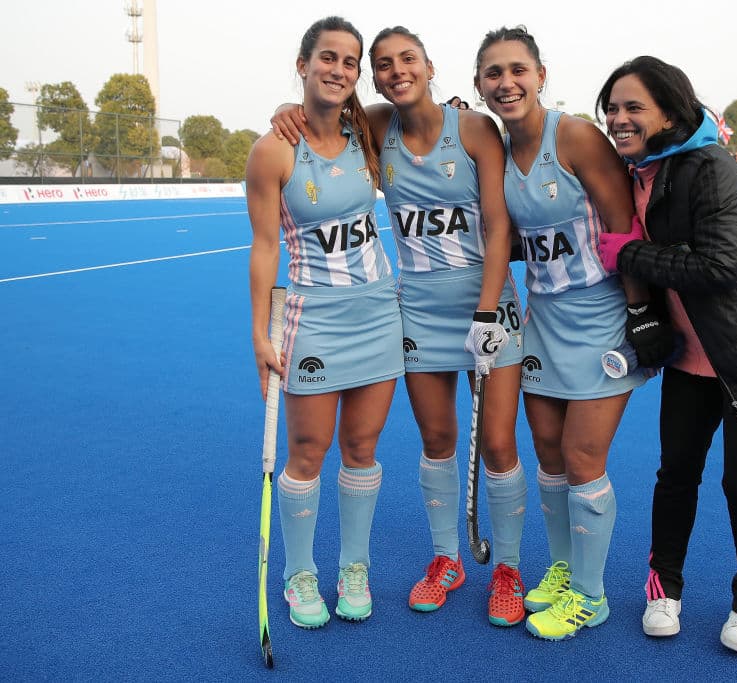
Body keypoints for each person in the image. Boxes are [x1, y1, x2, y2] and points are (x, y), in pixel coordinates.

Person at [270, 26, 529, 627]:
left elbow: (497, 226)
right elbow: (320, 107)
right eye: (382, 64)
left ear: (430, 65)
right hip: (416, 310)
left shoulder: (474, 130)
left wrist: (488, 312)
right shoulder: (374, 130)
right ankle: (446, 560)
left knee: (496, 443)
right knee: (437, 442)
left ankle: (509, 569)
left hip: (487, 307)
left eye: (406, 59)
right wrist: (285, 108)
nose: (395, 70)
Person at [595, 56, 737, 654]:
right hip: (690, 357)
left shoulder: (711, 168)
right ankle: (664, 587)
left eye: (633, 107)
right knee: (675, 476)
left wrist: (628, 255)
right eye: (612, 108)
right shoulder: (632, 169)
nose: (619, 118)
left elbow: (719, 267)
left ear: (670, 109)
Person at [473, 26, 674, 641]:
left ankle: (592, 596)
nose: (506, 83)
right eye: (492, 74)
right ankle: (563, 569)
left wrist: (641, 314)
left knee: (586, 458)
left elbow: (621, 228)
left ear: (540, 74)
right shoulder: (498, 148)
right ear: (478, 85)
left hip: (603, 317)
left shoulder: (578, 136)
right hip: (545, 321)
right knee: (551, 455)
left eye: (517, 70)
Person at [247, 16, 404, 629]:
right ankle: (299, 572)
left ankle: (354, 567)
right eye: (328, 58)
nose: (339, 70)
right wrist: (259, 334)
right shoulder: (273, 150)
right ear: (305, 63)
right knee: (308, 452)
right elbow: (263, 248)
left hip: (377, 311)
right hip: (313, 317)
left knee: (362, 449)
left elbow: (424, 115)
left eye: (350, 62)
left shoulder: (367, 129)